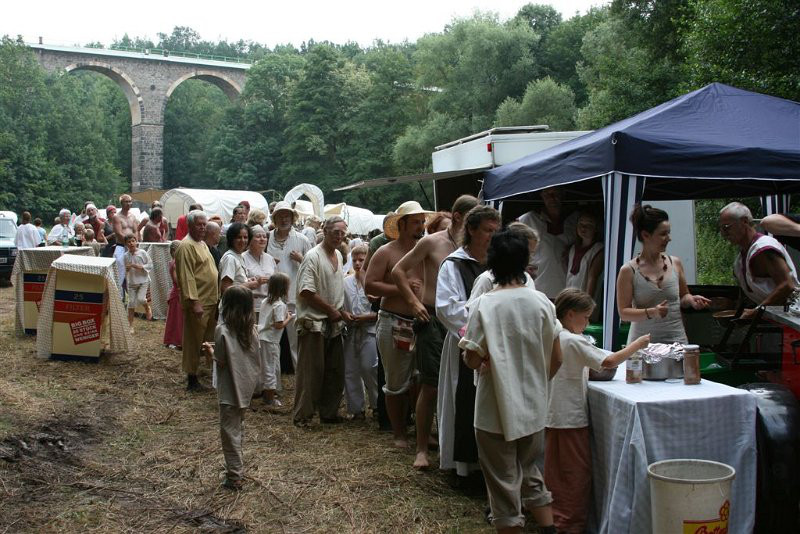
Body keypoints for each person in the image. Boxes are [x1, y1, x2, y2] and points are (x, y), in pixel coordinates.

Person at [459, 229, 561, 534]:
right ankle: (549, 529)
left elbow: (472, 358)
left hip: (494, 407)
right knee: (530, 471)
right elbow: (557, 357)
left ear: (491, 262)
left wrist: (481, 358)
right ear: (525, 261)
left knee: (502, 482)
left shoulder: (484, 304)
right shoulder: (542, 302)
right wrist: (538, 380)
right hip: (533, 404)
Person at [546, 289, 650, 533]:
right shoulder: (573, 340)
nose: (587, 323)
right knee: (575, 474)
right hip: (570, 418)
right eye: (585, 317)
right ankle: (569, 524)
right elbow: (608, 362)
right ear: (570, 314)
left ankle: (555, 517)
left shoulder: (553, 334)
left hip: (552, 414)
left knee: (556, 471)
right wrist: (636, 345)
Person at [391, 195, 479, 468]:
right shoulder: (432, 242)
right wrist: (413, 303)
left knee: (463, 383)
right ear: (458, 217)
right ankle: (421, 449)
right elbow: (398, 270)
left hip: (464, 320)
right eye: (472, 219)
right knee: (430, 384)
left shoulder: (474, 247)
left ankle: (453, 445)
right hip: (431, 318)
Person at [436, 205, 500, 480]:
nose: (492, 236)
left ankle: (490, 466)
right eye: (487, 230)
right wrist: (478, 333)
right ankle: (465, 467)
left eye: (496, 231)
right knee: (464, 400)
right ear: (471, 230)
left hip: (496, 346)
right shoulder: (454, 264)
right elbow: (447, 307)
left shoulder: (498, 263)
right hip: (465, 341)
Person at [366, 201, 430, 449]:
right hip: (394, 321)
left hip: (422, 322)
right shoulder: (386, 252)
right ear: (401, 224)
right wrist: (401, 288)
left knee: (421, 380)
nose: (420, 227)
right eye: (415, 222)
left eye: (422, 222)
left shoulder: (425, 251)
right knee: (395, 382)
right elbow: (370, 285)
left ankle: (421, 431)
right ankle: (399, 433)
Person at [616, 204, 710, 345]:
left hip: (676, 341)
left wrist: (691, 300)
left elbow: (683, 296)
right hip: (642, 345)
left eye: (668, 233)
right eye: (663, 234)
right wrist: (652, 312)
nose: (668, 238)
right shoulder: (628, 270)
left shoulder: (675, 263)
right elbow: (623, 313)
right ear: (645, 235)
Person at [293, 216, 353, 427]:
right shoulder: (313, 257)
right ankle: (303, 416)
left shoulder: (338, 255)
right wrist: (330, 310)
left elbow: (334, 289)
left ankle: (329, 412)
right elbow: (306, 291)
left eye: (342, 233)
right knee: (311, 373)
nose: (339, 236)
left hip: (334, 323)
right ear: (325, 231)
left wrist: (340, 312)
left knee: (334, 371)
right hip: (314, 323)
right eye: (335, 232)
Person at [202, 286, 262, 491]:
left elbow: (220, 361)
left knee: (229, 433)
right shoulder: (252, 330)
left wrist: (209, 351)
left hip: (229, 390)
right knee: (237, 428)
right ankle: (236, 467)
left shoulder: (222, 330)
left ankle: (234, 476)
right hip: (246, 388)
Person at [721, 202, 799, 316]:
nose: (723, 233)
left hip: (792, 317)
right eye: (721, 228)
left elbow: (787, 285)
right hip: (775, 316)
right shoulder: (741, 258)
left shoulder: (763, 248)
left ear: (744, 222)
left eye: (726, 227)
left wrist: (756, 311)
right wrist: (731, 304)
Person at [175, 210, 219, 391]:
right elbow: (187, 277)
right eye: (198, 224)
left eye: (204, 224)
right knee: (193, 341)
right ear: (190, 225)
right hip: (199, 302)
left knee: (207, 339)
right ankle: (191, 378)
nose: (202, 228)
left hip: (210, 299)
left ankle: (206, 372)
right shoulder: (186, 246)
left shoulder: (202, 244)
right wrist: (194, 302)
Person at [267, 201, 312, 367]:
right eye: (280, 216)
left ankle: (300, 373)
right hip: (271, 296)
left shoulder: (302, 240)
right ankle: (271, 374)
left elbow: (313, 267)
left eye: (287, 216)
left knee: (295, 339)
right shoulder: (267, 238)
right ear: (275, 219)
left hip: (294, 295)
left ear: (293, 218)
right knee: (270, 337)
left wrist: (301, 259)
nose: (284, 219)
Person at [518, 187, 578, 299]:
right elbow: (513, 249)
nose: (552, 198)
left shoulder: (575, 220)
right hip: (537, 287)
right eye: (547, 194)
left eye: (556, 193)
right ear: (541, 196)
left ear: (562, 194)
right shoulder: (527, 219)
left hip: (568, 288)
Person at [343, 244, 378, 420]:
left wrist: (368, 317)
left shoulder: (374, 283)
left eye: (362, 260)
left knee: (369, 367)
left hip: (370, 330)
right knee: (350, 369)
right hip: (351, 329)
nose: (357, 263)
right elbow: (341, 304)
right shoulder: (345, 282)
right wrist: (345, 314)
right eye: (354, 260)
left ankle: (377, 405)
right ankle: (356, 409)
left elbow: (381, 310)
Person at [469, 222, 538, 302]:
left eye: (532, 253)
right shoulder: (486, 279)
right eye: (527, 254)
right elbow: (473, 307)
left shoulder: (527, 278)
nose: (530, 259)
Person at [258, 272, 292, 407]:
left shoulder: (265, 301)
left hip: (262, 338)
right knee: (270, 368)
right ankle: (269, 399)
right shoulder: (279, 305)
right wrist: (289, 318)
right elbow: (279, 325)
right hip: (271, 340)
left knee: (266, 366)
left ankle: (267, 392)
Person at [565, 211, 604, 299]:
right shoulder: (572, 248)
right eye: (581, 223)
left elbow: (593, 277)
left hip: (584, 299)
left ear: (596, 228)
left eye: (589, 224)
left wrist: (587, 302)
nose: (583, 227)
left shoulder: (598, 249)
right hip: (570, 297)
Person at [243, 224, 276, 312]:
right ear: (250, 240)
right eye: (258, 236)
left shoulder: (270, 258)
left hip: (269, 305)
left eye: (264, 237)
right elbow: (239, 283)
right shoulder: (242, 258)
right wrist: (256, 282)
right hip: (249, 306)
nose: (262, 239)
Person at [123, 234, 153, 333]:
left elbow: (150, 264)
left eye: (133, 241)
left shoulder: (142, 253)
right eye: (129, 242)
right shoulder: (125, 256)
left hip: (143, 281)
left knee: (141, 299)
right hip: (132, 282)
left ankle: (147, 308)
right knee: (131, 304)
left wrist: (140, 266)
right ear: (126, 244)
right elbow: (125, 269)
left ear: (136, 242)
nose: (131, 243)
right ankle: (130, 326)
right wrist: (127, 269)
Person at [164, 240, 184, 350]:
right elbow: (177, 280)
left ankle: (178, 340)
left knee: (178, 318)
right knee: (175, 319)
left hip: (177, 293)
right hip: (177, 294)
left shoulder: (175, 262)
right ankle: (173, 340)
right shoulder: (175, 263)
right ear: (173, 251)